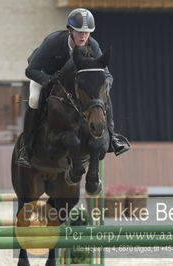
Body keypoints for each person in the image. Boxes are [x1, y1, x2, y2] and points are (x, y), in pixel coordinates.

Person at [17, 8, 130, 167]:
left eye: (87, 32)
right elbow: (30, 70)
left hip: (71, 82)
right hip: (44, 74)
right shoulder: (54, 42)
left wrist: (104, 88)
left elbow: (107, 75)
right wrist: (48, 80)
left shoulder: (92, 45)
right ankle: (26, 147)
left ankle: (113, 138)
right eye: (79, 32)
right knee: (35, 99)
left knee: (102, 98)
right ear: (70, 30)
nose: (83, 36)